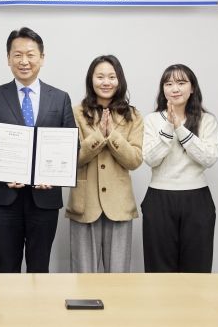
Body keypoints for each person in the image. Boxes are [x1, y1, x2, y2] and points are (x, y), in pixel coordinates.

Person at [0, 27, 76, 273]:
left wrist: (54, 176)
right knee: (7, 266)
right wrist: (3, 173)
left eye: (30, 55)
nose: (24, 61)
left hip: (45, 198)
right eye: (17, 55)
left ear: (41, 58)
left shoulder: (60, 98)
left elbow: (70, 144)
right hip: (5, 198)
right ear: (8, 58)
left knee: (39, 267)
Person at [66, 55, 143, 273]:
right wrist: (99, 136)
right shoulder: (76, 113)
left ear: (119, 80)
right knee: (82, 277)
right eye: (100, 77)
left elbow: (135, 160)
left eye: (111, 77)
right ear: (91, 80)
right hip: (84, 204)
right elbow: (71, 159)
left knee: (118, 280)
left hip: (119, 205)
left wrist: (113, 136)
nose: (106, 82)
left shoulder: (133, 115)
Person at [142, 64, 218, 273]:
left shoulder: (206, 120)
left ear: (192, 88)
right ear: (163, 89)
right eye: (168, 84)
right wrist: (169, 126)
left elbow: (209, 158)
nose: (175, 88)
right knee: (158, 268)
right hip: (159, 198)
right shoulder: (152, 120)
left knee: (197, 267)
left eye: (181, 83)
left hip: (197, 199)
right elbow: (151, 159)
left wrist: (180, 129)